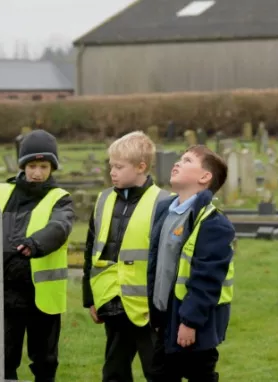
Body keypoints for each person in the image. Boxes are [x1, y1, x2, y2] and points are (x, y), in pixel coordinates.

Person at [82, 131, 170, 382]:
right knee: (114, 372)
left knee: (157, 371)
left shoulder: (163, 202)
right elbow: (91, 250)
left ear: (141, 167)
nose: (113, 172)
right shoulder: (103, 200)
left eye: (119, 167)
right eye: (111, 166)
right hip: (111, 301)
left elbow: (167, 260)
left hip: (148, 308)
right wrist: (90, 298)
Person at [147, 145, 235, 382]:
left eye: (186, 161)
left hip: (194, 324)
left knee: (200, 375)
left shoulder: (213, 223)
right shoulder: (165, 211)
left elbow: (206, 278)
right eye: (178, 159)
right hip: (166, 319)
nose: (177, 163)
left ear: (204, 177)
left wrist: (190, 321)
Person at [0, 129, 75, 382]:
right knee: (4, 357)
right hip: (6, 294)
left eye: (43, 166)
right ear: (22, 165)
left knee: (44, 359)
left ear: (52, 167)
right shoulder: (2, 193)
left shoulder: (60, 199)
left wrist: (35, 244)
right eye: (31, 165)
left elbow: (60, 227)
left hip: (42, 295)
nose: (37, 172)